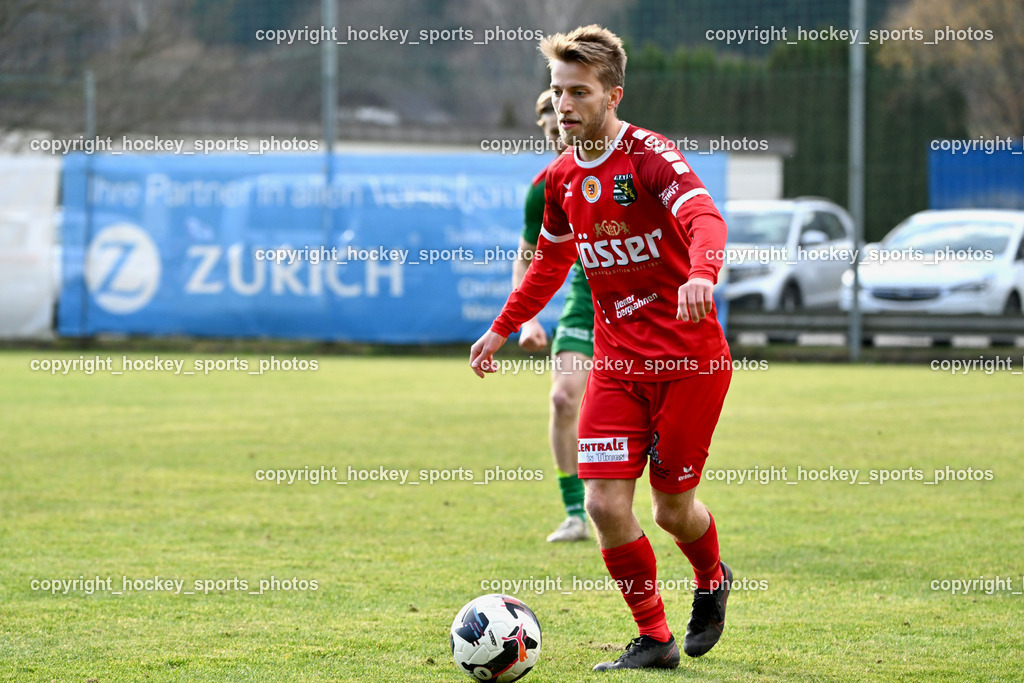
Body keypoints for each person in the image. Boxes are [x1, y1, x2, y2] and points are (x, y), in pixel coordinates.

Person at [470, 25, 733, 671]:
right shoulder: (560, 178)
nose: (564, 104)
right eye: (558, 90)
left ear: (612, 94)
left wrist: (702, 271)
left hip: (687, 361)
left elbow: (706, 218)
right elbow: (548, 264)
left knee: (673, 509)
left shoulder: (650, 157)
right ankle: (655, 637)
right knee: (604, 503)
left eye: (579, 92)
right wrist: (503, 326)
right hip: (616, 364)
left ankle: (711, 579)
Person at [514, 88, 593, 543]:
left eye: (562, 122)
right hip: (585, 301)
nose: (557, 135)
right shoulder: (544, 188)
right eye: (548, 129)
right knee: (563, 399)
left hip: (639, 301)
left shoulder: (626, 163)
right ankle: (575, 512)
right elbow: (527, 257)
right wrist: (527, 318)